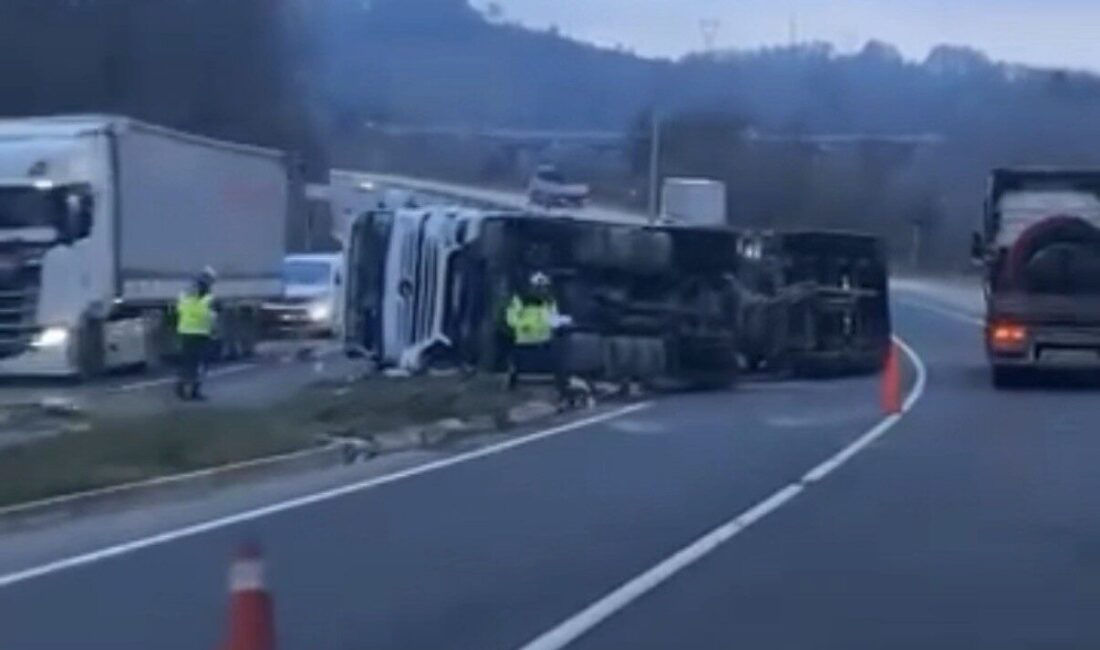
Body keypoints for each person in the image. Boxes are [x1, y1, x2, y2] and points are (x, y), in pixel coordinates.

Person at [505, 271, 569, 398]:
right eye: (539, 287)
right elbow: (511, 319)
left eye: (544, 287)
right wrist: (527, 325)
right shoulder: (520, 300)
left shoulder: (550, 301)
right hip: (524, 342)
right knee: (515, 367)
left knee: (558, 360)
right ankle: (512, 387)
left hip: (544, 342)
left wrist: (559, 322)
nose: (542, 290)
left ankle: (562, 388)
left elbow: (553, 317)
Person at [176, 267, 217, 401]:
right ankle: (194, 391)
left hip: (186, 332)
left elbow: (179, 308)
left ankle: (182, 389)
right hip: (201, 333)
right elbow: (212, 316)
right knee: (200, 365)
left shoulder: (185, 294)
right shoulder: (209, 297)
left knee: (187, 364)